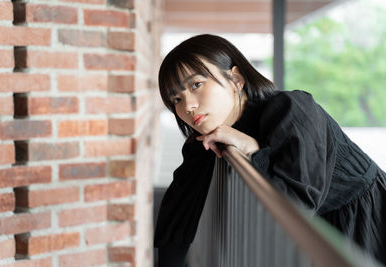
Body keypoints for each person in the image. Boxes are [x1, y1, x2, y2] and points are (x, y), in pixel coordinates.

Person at [154, 34, 386, 267]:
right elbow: (178, 217)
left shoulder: (292, 110)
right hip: (314, 235)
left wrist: (253, 152)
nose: (188, 106)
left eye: (196, 85)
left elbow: (293, 205)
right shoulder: (208, 139)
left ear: (236, 78)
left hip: (365, 223)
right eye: (176, 99)